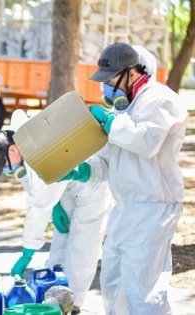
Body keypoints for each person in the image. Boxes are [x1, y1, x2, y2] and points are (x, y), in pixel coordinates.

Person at [67, 42, 188, 314]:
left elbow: (146, 141)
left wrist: (111, 123)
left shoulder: (160, 99)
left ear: (132, 73)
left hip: (153, 207)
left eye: (111, 80)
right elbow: (113, 160)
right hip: (125, 209)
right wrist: (86, 171)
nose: (107, 87)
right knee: (113, 284)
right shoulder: (125, 109)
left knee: (142, 291)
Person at [0, 110, 113, 314]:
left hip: (92, 182)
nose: (8, 171)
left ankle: (73, 302)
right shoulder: (22, 145)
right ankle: (55, 292)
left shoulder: (36, 150)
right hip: (67, 183)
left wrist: (28, 251)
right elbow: (36, 189)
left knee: (83, 244)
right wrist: (56, 204)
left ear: (14, 150)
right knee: (61, 240)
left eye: (6, 165)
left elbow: (38, 206)